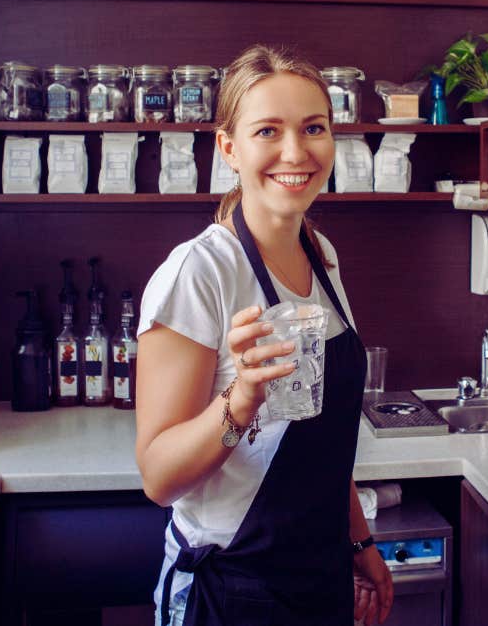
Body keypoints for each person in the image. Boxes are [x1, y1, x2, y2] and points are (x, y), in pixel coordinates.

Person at [136, 44, 394, 626]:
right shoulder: (199, 272)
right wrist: (241, 400)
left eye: (314, 128)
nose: (295, 152)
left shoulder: (321, 255)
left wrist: (360, 544)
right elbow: (158, 476)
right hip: (231, 585)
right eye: (268, 131)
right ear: (229, 147)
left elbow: (320, 442)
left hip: (319, 574)